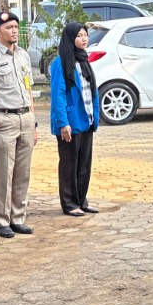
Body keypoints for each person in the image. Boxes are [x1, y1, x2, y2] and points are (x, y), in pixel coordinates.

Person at [0, 10, 37, 238]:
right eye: (8, 28)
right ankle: (1, 220)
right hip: (3, 120)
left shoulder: (22, 55)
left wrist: (33, 123)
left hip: (24, 118)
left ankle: (18, 217)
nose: (14, 31)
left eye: (15, 27)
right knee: (4, 173)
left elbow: (28, 89)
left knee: (23, 172)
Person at [49, 22, 101, 217]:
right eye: (79, 36)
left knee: (84, 164)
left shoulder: (84, 60)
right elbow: (58, 95)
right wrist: (63, 123)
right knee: (70, 164)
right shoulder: (60, 63)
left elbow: (91, 91)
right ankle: (70, 203)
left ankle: (82, 199)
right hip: (70, 122)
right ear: (70, 39)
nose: (84, 39)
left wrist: (95, 116)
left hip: (86, 119)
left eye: (85, 35)